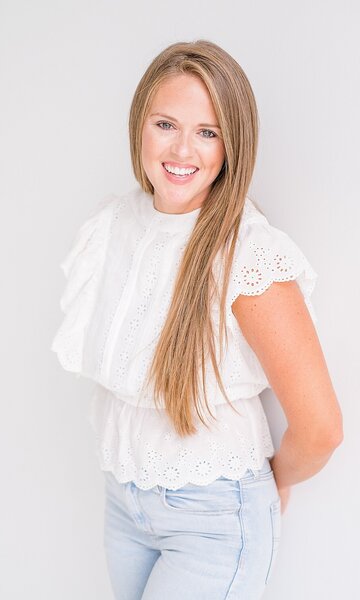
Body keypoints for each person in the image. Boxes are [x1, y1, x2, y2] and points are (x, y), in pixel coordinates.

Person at [51, 40, 343, 600]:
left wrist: (264, 489)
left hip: (214, 521)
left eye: (208, 132)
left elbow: (322, 427)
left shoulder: (247, 254)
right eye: (167, 123)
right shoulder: (113, 224)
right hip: (124, 505)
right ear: (140, 125)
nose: (184, 148)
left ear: (232, 144)